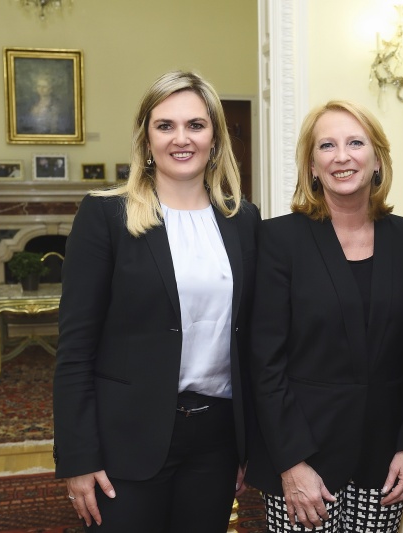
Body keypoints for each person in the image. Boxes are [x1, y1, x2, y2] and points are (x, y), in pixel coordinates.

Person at [52, 70, 260, 532]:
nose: (180, 139)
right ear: (146, 139)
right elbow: (75, 350)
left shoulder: (243, 221)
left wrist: (248, 446)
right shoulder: (105, 215)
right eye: (165, 126)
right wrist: (77, 456)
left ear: (215, 138)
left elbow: (249, 342)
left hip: (216, 442)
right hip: (125, 440)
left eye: (195, 125)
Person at [246, 100, 403, 532]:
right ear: (312, 166)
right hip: (303, 458)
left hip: (385, 461)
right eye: (326, 146)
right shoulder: (278, 239)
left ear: (378, 158)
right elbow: (264, 364)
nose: (342, 156)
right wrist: (291, 462)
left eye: (355, 142)